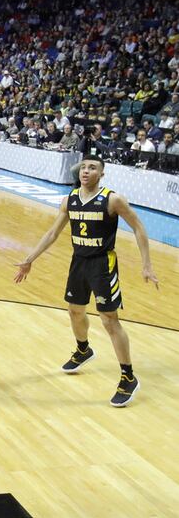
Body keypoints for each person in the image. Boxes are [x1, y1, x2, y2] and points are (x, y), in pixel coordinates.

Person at [14, 155, 159, 406]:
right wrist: (29, 259)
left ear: (101, 174)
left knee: (109, 320)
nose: (86, 171)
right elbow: (52, 233)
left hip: (103, 264)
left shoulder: (113, 200)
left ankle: (128, 377)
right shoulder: (69, 199)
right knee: (74, 312)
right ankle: (84, 350)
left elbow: (138, 227)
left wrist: (146, 265)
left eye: (92, 168)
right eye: (83, 167)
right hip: (78, 262)